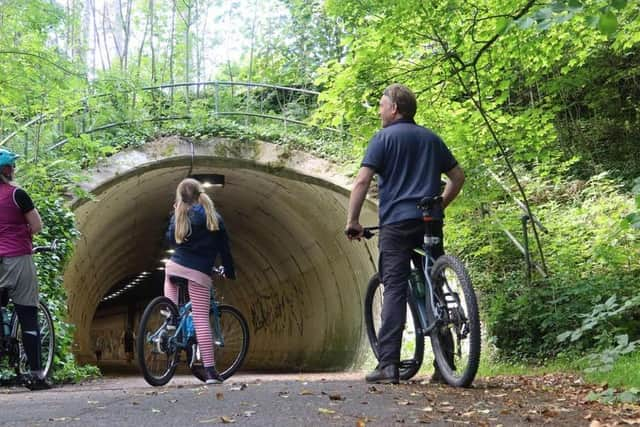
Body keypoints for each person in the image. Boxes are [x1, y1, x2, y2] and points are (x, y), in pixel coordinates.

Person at [345, 84, 465, 384]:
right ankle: (444, 364)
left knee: (395, 289)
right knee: (434, 283)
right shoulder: (431, 138)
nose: (379, 110)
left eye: (382, 105)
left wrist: (353, 220)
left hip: (397, 225)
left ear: (394, 108)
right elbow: (457, 177)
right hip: (429, 222)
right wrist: (440, 204)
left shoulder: (382, 139)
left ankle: (389, 365)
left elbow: (361, 182)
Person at [164, 177, 236, 384]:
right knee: (201, 318)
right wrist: (229, 271)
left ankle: (171, 316)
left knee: (170, 278)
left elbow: (171, 239)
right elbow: (225, 249)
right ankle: (211, 372)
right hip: (198, 272)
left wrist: (176, 213)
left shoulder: (180, 213)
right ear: (200, 194)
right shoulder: (214, 217)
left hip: (175, 267)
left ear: (181, 197)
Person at [0, 148, 51, 390]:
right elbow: (37, 225)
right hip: (17, 259)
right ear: (7, 170)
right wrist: (23, 234)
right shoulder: (17, 194)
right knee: (28, 315)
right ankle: (37, 375)